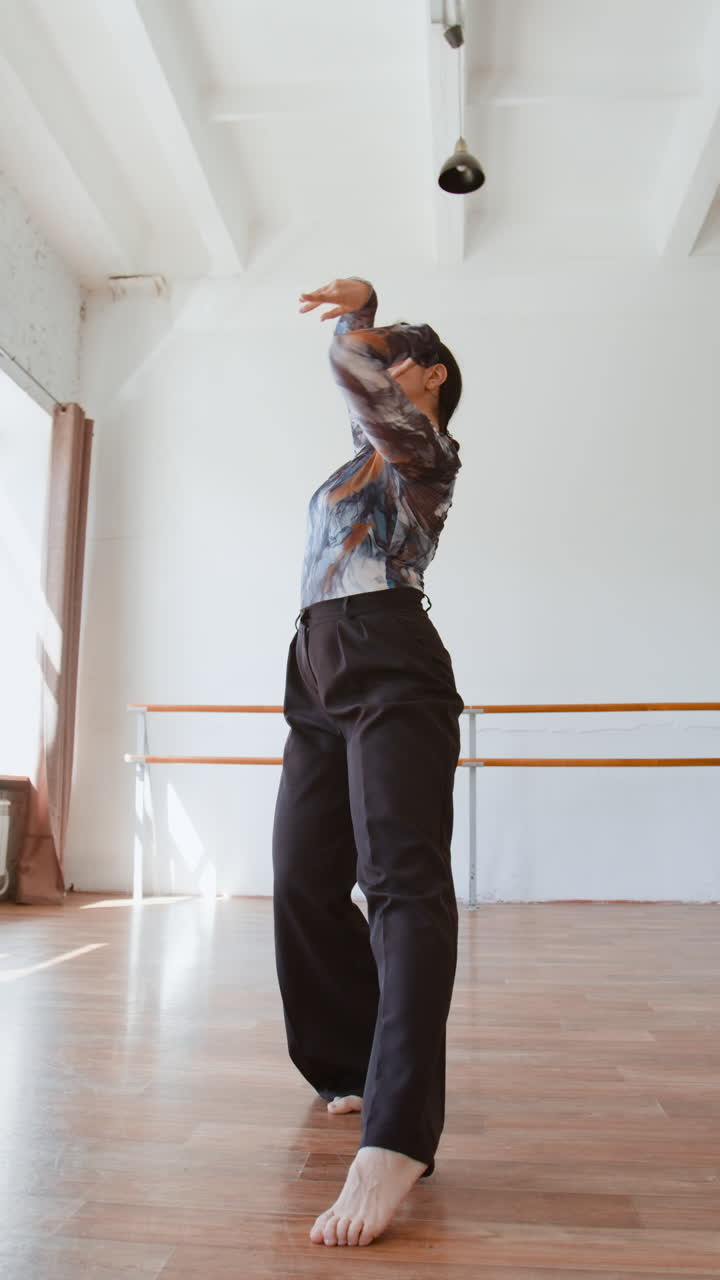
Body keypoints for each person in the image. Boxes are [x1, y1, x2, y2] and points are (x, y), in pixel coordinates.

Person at [271, 276, 465, 1247]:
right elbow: (357, 389)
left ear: (424, 375)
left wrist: (362, 312)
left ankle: (397, 1136)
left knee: (401, 887)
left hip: (390, 661)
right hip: (315, 666)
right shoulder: (359, 461)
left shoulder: (423, 452)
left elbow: (358, 373)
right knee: (304, 879)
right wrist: (365, 328)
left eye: (397, 352)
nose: (376, 363)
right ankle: (349, 1065)